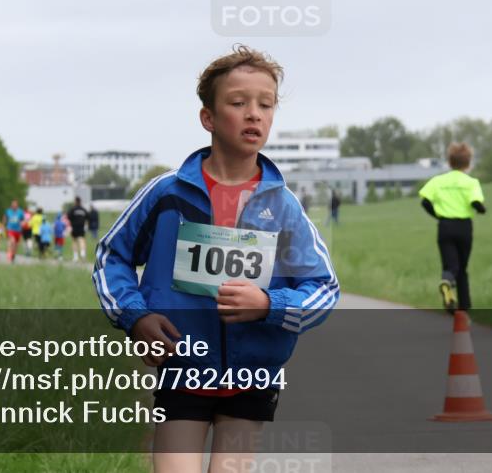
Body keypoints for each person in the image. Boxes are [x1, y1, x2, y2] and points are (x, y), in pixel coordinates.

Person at [93, 45, 339, 473]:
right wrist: (135, 317)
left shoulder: (284, 207)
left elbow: (324, 289)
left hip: (253, 376)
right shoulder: (166, 193)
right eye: (238, 102)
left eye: (266, 104)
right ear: (208, 117)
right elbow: (111, 257)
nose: (254, 114)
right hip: (183, 367)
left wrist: (269, 305)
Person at [418, 142, 486, 313]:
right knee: (462, 269)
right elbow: (476, 202)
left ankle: (447, 284)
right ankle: (464, 310)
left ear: (449, 162)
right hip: (464, 228)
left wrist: (437, 215)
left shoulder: (438, 181)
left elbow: (425, 201)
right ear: (468, 163)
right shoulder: (471, 182)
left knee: (449, 266)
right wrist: (481, 209)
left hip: (445, 227)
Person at [67, 197, 89, 262]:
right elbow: (88, 217)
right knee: (82, 240)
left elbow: (68, 217)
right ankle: (83, 254)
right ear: (80, 202)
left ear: (75, 201)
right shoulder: (84, 209)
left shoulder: (72, 209)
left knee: (74, 241)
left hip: (74, 227)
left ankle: (75, 257)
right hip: (82, 227)